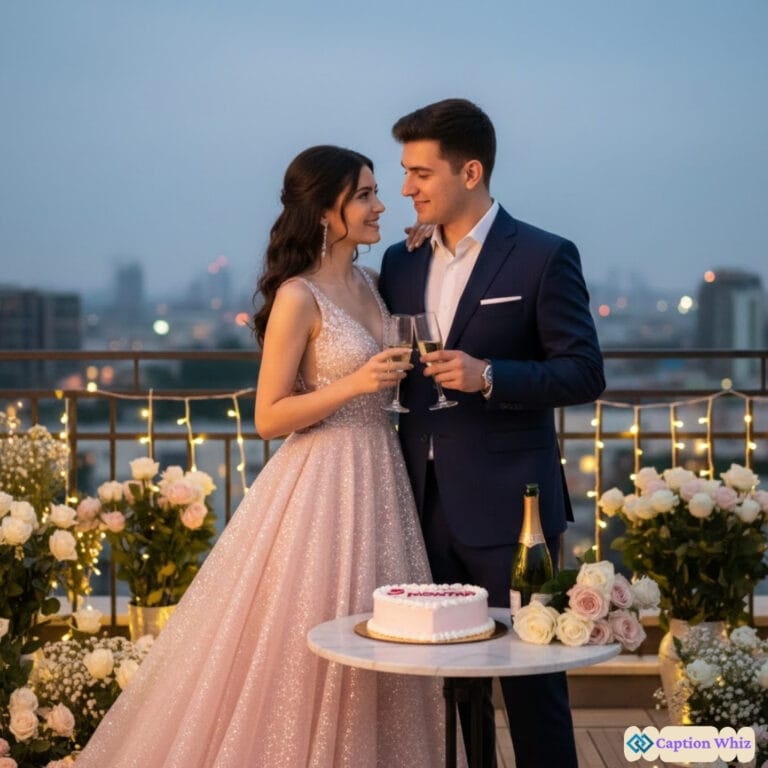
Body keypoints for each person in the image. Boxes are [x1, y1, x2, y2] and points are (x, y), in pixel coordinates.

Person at [75, 145, 451, 768]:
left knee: (380, 635)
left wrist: (426, 241)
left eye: (377, 192)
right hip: (321, 481)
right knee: (311, 631)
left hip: (382, 476)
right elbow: (268, 416)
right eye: (364, 195)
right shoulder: (298, 296)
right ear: (325, 212)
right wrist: (355, 385)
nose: (381, 205)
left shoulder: (372, 283)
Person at [379, 98, 606, 768]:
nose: (406, 187)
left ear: (470, 171)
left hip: (515, 511)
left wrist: (488, 376)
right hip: (419, 504)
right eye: (404, 171)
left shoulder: (543, 255)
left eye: (421, 172)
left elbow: (584, 372)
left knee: (533, 685)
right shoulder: (400, 261)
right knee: (450, 687)